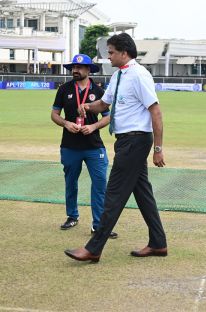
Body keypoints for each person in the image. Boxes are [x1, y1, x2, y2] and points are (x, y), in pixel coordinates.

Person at [64, 33, 167, 263]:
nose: (107, 56)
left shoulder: (139, 75)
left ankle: (94, 248)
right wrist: (88, 106)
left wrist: (158, 148)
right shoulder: (119, 76)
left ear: (124, 52)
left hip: (136, 140)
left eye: (110, 52)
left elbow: (156, 112)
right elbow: (104, 104)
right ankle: (158, 243)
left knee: (113, 194)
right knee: (143, 194)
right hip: (126, 141)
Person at [51, 54, 118, 239]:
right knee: (70, 183)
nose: (75, 70)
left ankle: (99, 225)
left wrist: (93, 126)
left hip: (94, 146)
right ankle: (72, 216)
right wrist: (66, 123)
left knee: (99, 185)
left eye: (80, 67)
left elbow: (107, 116)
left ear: (89, 70)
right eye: (73, 67)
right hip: (70, 145)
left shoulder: (98, 90)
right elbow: (54, 114)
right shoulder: (64, 89)